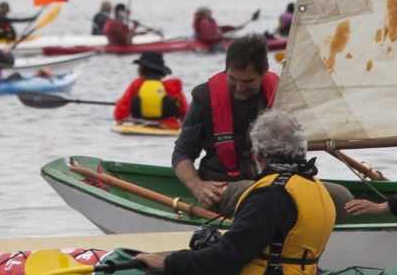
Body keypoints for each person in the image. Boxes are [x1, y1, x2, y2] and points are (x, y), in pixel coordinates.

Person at [138, 110, 335, 275]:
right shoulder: (318, 189)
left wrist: (167, 262)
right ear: (301, 149)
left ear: (257, 155)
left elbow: (226, 259)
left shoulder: (271, 194)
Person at [171, 35, 352, 215]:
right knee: (256, 193)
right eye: (233, 79)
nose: (240, 88)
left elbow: (299, 147)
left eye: (249, 81)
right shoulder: (204, 98)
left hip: (281, 183)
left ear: (264, 71)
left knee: (342, 198)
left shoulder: (281, 93)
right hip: (229, 187)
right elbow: (182, 153)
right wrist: (197, 186)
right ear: (226, 70)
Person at [114, 51, 188, 129]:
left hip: (139, 127)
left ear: (141, 70)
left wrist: (119, 102)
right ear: (162, 72)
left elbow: (119, 116)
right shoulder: (172, 87)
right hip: (168, 128)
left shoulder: (136, 85)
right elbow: (187, 117)